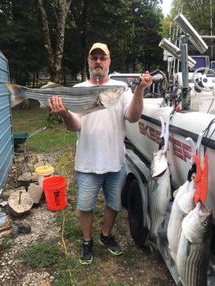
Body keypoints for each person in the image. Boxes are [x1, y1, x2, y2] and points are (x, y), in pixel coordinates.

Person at [49, 42, 152, 265]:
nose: (98, 61)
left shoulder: (119, 88)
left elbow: (133, 117)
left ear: (108, 61)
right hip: (87, 162)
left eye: (102, 58)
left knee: (114, 204)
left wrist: (140, 90)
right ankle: (87, 241)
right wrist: (65, 113)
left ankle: (105, 235)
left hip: (116, 161)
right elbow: (75, 125)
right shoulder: (78, 90)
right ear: (88, 61)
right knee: (85, 206)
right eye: (93, 57)